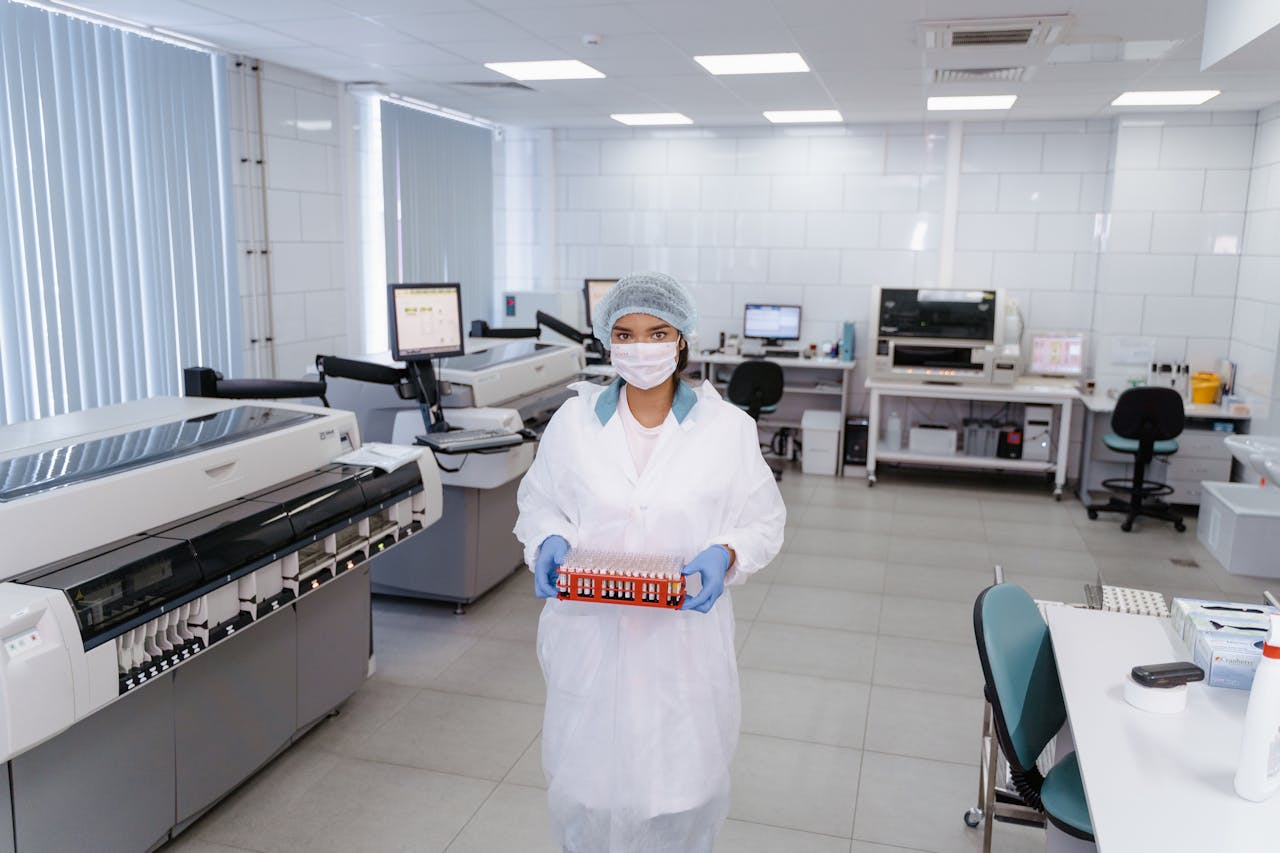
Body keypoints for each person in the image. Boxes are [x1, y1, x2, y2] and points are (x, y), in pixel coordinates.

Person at [514, 272, 786, 853]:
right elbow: (541, 503)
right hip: (589, 638)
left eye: (656, 332)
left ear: (681, 340)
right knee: (588, 791)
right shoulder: (574, 423)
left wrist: (726, 552)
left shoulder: (727, 429)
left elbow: (763, 520)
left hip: (681, 644)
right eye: (626, 333)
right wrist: (548, 540)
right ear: (608, 343)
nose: (641, 347)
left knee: (679, 792)